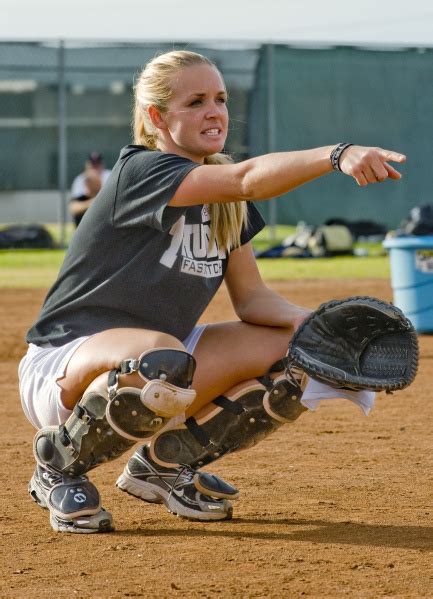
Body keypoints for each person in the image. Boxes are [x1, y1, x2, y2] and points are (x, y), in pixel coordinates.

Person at [18, 50, 406, 534]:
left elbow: (253, 301)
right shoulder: (142, 172)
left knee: (297, 353)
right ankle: (58, 464)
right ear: (157, 117)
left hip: (161, 366)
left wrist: (319, 325)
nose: (214, 111)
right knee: (163, 356)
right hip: (67, 362)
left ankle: (161, 466)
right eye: (196, 101)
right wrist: (337, 154)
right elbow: (245, 178)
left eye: (220, 99)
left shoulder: (225, 203)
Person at [69, 152, 112, 227]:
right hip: (86, 219)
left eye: (97, 164)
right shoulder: (80, 179)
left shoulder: (110, 175)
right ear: (87, 165)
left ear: (102, 164)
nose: (95, 167)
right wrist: (92, 202)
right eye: (93, 164)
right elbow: (73, 207)